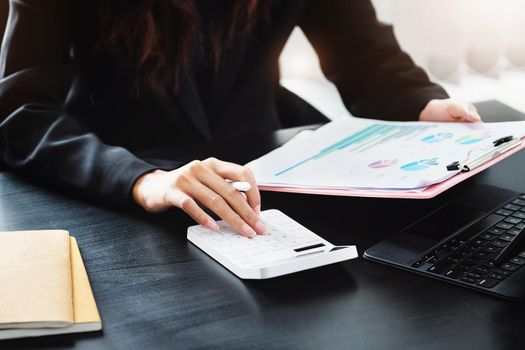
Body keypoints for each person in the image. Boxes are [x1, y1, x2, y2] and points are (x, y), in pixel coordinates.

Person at [0, 0, 481, 237]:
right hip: (114, 176)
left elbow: (363, 55)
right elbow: (18, 110)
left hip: (260, 163)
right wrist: (142, 180)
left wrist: (422, 104)